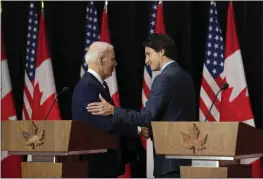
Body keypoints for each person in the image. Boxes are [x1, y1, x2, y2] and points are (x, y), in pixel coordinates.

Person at [87, 33, 197, 178]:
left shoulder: (164, 79)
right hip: (185, 160)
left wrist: (113, 110)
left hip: (169, 163)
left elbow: (147, 117)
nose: (146, 61)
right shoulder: (185, 76)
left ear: (162, 51)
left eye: (148, 54)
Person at [71, 41, 148, 178]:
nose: (115, 64)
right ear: (101, 60)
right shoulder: (88, 86)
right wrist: (138, 130)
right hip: (97, 163)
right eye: (112, 59)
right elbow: (106, 123)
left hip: (103, 161)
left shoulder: (95, 84)